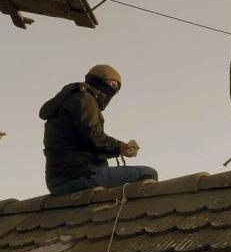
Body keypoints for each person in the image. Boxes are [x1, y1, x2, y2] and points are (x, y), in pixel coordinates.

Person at [40, 64, 158, 195]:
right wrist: (121, 147)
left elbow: (85, 145)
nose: (113, 90)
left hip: (60, 179)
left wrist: (118, 150)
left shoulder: (70, 99)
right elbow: (94, 138)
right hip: (78, 176)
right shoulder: (84, 99)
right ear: (101, 82)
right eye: (112, 85)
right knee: (148, 173)